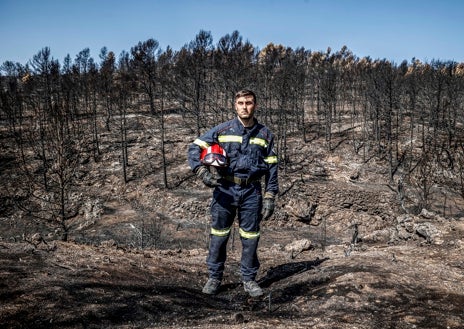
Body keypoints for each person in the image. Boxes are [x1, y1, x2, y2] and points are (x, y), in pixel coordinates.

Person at [187, 89, 278, 297]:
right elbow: (194, 148)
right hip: (224, 189)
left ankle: (249, 279)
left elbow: (273, 168)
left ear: (255, 105)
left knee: (250, 237)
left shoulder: (265, 135)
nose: (245, 106)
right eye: (240, 103)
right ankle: (214, 277)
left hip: (252, 191)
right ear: (234, 106)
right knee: (219, 235)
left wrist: (270, 196)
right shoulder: (223, 130)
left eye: (249, 102)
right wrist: (201, 172)